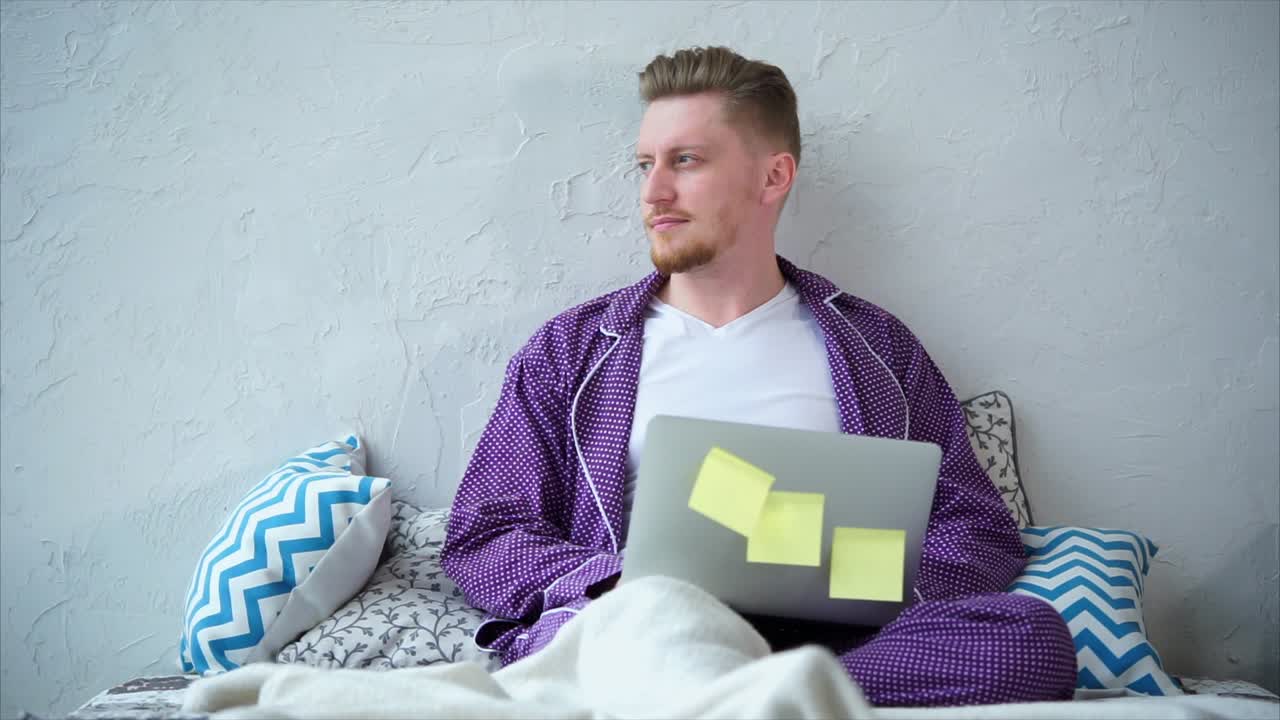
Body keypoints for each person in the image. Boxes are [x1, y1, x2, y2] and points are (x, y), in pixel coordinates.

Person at [442, 46, 1077, 707]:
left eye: (685, 161)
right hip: (643, 626)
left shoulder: (878, 350)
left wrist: (861, 579)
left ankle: (747, 693)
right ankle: (760, 694)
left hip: (836, 642)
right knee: (614, 638)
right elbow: (486, 531)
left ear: (773, 177)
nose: (652, 191)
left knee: (1030, 639)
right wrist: (623, 582)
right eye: (644, 164)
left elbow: (975, 528)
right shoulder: (571, 351)